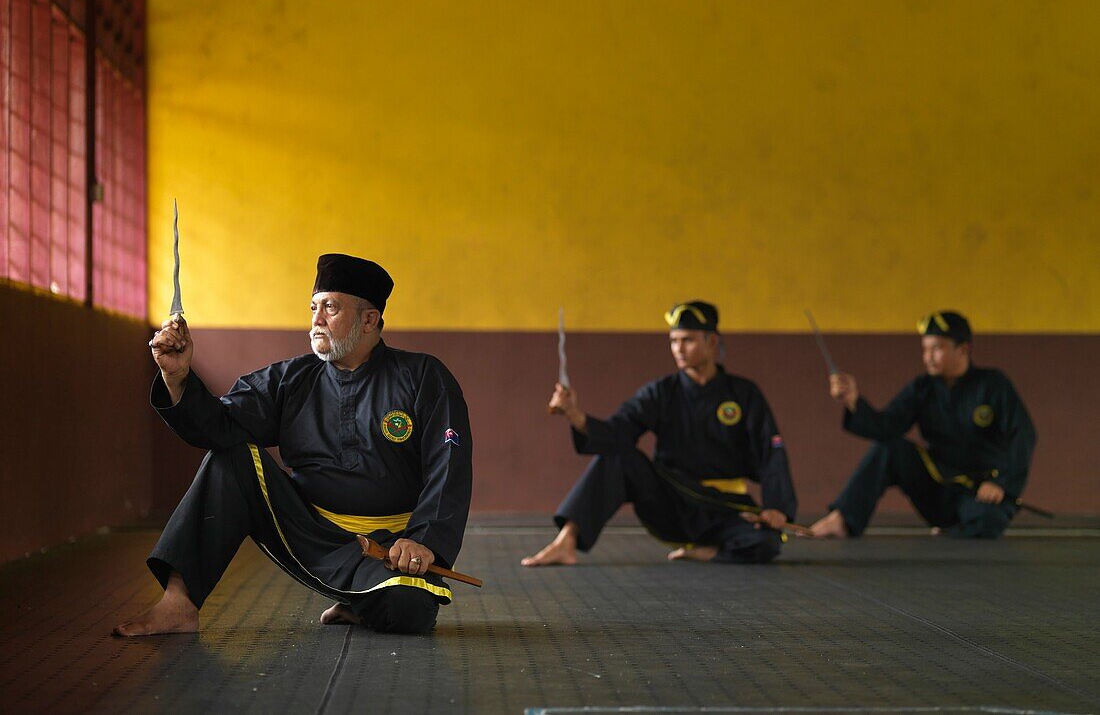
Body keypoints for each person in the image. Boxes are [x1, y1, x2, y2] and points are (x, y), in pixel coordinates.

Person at [114, 254, 472, 636]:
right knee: (230, 457)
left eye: (330, 308)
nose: (316, 320)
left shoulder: (423, 376)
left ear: (369, 320)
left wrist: (423, 542)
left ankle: (361, 601)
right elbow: (218, 428)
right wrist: (178, 376)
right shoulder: (289, 380)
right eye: (314, 308)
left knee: (409, 610)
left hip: (384, 547)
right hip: (306, 533)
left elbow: (448, 464)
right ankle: (178, 604)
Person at [522, 301, 797, 567]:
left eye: (687, 340)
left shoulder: (744, 394)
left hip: (724, 506)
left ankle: (707, 552)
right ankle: (567, 541)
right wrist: (575, 416)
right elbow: (619, 431)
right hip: (671, 502)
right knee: (618, 456)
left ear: (712, 342)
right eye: (674, 341)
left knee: (768, 541)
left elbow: (771, 450)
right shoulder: (661, 392)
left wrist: (777, 508)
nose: (678, 349)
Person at [811, 310, 1036, 539]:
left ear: (963, 349)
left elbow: (1023, 435)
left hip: (981, 493)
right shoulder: (922, 388)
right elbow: (886, 427)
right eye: (925, 349)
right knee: (889, 449)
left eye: (937, 348)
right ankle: (842, 520)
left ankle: (956, 529)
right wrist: (853, 401)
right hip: (939, 491)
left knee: (987, 521)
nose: (928, 357)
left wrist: (1001, 484)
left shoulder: (993, 385)